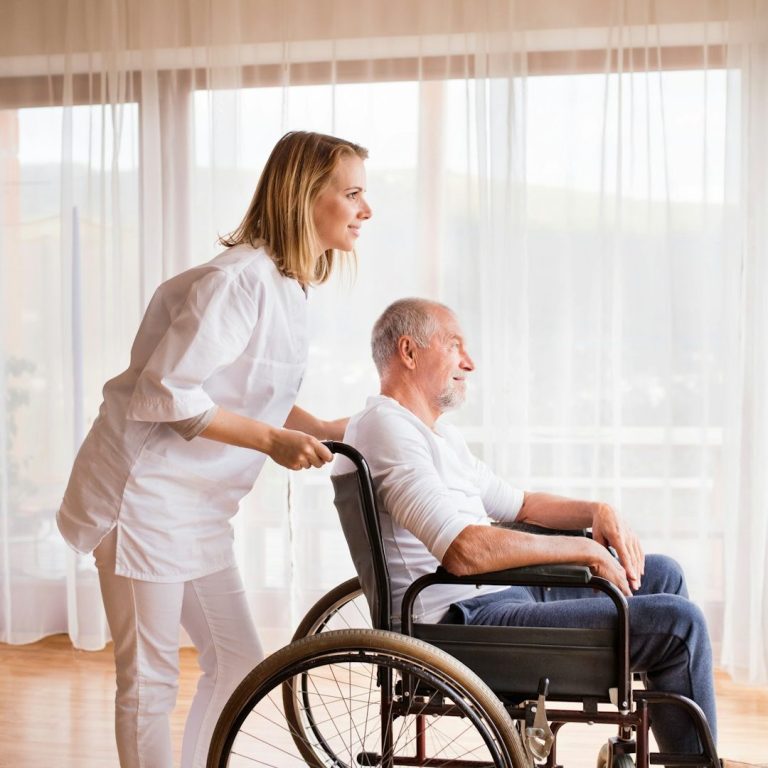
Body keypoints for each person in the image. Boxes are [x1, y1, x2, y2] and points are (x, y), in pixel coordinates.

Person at [57, 131, 372, 768]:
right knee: (149, 681)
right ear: (305, 196)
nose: (366, 210)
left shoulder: (289, 286)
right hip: (143, 499)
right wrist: (272, 442)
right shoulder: (237, 282)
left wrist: (335, 431)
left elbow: (256, 391)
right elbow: (166, 393)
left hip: (196, 507)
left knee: (238, 665)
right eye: (354, 193)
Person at [334, 297, 724, 761]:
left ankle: (683, 754)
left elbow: (521, 503)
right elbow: (464, 551)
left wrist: (598, 511)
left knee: (662, 575)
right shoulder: (387, 428)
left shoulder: (435, 435)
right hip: (460, 624)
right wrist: (585, 552)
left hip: (496, 597)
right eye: (454, 345)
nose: (469, 362)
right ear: (409, 351)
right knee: (679, 626)